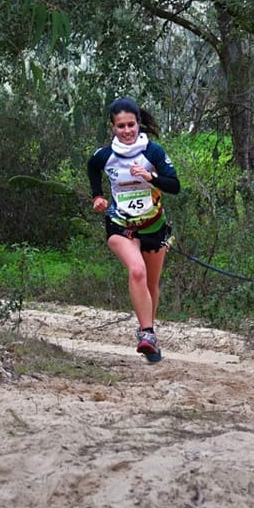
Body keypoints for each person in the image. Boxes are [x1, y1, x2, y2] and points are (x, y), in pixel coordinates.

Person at [87, 97, 180, 363]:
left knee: (150, 283)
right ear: (113, 127)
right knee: (136, 270)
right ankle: (147, 334)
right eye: (121, 126)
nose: (127, 131)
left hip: (154, 225)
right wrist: (97, 196)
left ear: (139, 124)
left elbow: (174, 186)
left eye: (131, 125)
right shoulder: (105, 156)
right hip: (120, 225)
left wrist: (150, 177)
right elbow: (92, 168)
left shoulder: (154, 153)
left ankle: (149, 333)